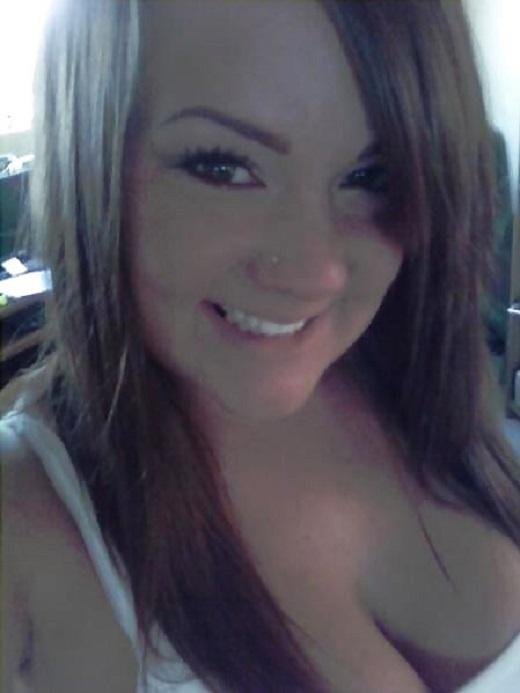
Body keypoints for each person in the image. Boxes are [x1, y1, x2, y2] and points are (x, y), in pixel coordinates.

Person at [2, 0, 520, 691]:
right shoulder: (23, 521)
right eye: (222, 167)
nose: (317, 271)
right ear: (90, 159)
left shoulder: (417, 372)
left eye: (372, 176)